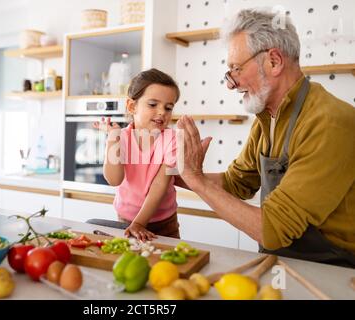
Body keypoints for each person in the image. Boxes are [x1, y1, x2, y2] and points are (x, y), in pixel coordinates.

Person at [176, 9, 355, 267]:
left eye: (236, 69)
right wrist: (177, 175)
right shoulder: (267, 118)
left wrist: (197, 181)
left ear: (273, 61)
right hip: (283, 262)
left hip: (332, 271)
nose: (230, 84)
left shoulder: (328, 121)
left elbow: (274, 228)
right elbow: (237, 182)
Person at [93, 68, 180, 241]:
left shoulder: (174, 139)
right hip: (126, 220)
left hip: (165, 223)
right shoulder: (120, 137)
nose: (162, 112)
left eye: (168, 107)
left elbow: (159, 186)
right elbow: (114, 179)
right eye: (153, 104)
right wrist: (113, 138)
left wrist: (140, 223)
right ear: (132, 106)